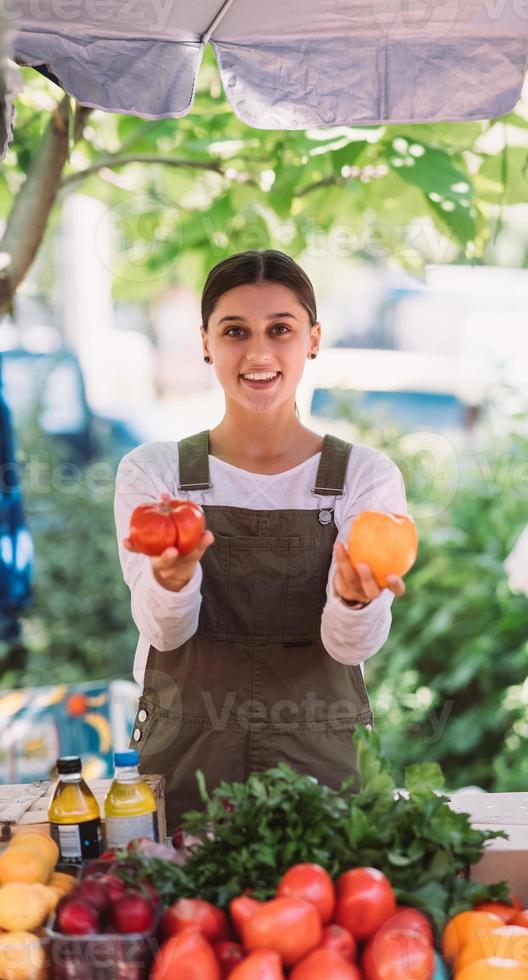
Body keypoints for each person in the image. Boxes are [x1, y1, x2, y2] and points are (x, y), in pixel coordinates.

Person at [113, 250, 408, 828]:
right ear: (204, 343)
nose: (258, 352)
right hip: (185, 757)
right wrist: (171, 584)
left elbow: (351, 649)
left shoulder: (364, 478)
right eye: (234, 331)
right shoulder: (155, 475)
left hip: (323, 759)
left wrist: (354, 600)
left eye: (280, 329)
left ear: (313, 338)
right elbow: (164, 631)